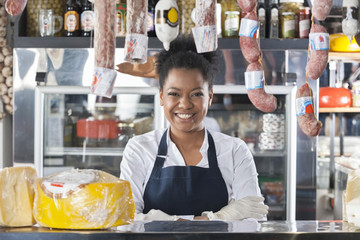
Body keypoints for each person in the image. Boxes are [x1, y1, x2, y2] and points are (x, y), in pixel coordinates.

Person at [120, 35, 268, 221]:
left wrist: (162, 221)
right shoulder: (140, 149)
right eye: (174, 94)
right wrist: (213, 219)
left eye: (196, 94)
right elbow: (126, 218)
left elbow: (253, 219)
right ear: (161, 97)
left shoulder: (234, 150)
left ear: (210, 96)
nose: (185, 104)